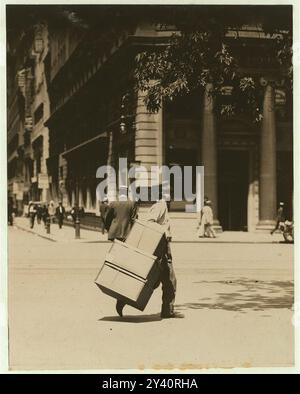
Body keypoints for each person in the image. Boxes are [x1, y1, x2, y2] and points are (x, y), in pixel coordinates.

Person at [146, 188, 183, 319]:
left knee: (164, 280)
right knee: (169, 280)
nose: (172, 196)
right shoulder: (161, 205)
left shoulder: (161, 205)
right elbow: (150, 221)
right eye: (170, 194)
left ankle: (168, 310)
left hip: (161, 245)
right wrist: (164, 234)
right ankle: (167, 310)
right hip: (161, 246)